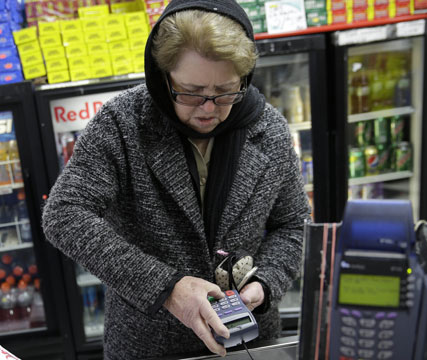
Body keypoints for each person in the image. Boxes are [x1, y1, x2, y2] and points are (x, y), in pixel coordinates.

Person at [42, 0, 310, 358]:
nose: (209, 108)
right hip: (148, 343)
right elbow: (64, 214)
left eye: (226, 91)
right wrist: (166, 288)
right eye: (191, 92)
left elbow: (293, 224)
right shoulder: (123, 125)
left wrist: (266, 283)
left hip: (248, 339)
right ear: (163, 75)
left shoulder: (269, 129)